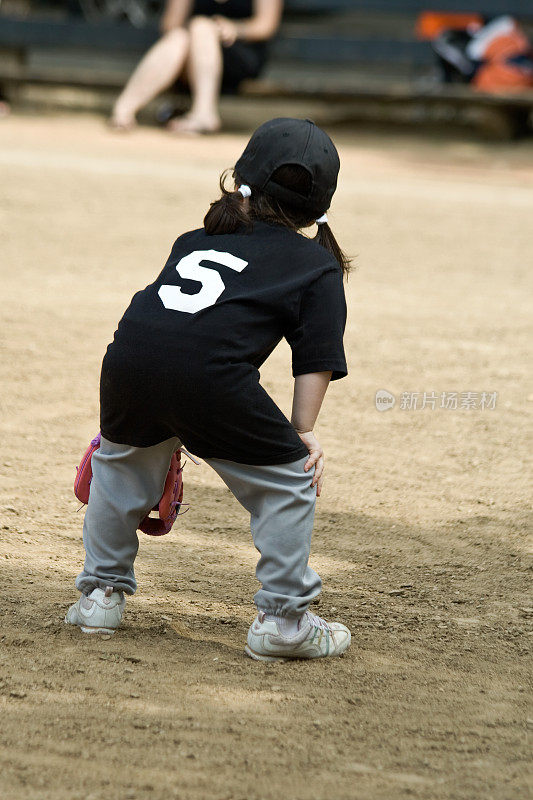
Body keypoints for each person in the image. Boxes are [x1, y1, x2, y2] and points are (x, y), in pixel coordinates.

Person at [66, 117, 352, 661]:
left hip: (128, 360)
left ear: (238, 183)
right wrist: (303, 433)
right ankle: (286, 621)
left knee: (122, 465)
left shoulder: (194, 240)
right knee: (288, 482)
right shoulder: (315, 264)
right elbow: (314, 359)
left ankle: (100, 595)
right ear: (318, 211)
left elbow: (172, 318)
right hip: (210, 378)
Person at [111, 0, 283, 133]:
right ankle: (124, 109)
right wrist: (196, 34)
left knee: (202, 26)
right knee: (182, 36)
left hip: (240, 55)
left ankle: (204, 113)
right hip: (190, 58)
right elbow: (170, 25)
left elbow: (266, 26)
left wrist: (234, 29)